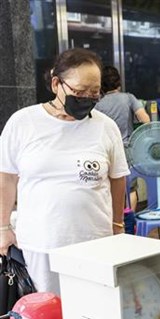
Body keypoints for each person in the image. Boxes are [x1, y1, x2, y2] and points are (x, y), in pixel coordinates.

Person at [0, 48, 129, 294]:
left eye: (94, 93)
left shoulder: (106, 127)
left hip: (95, 242)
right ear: (56, 83)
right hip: (40, 244)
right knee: (47, 317)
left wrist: (117, 225)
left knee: (94, 313)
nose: (87, 99)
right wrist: (3, 228)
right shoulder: (23, 122)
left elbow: (117, 179)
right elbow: (5, 178)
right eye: (80, 92)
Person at [95, 65, 150, 220]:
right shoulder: (128, 98)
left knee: (110, 187)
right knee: (130, 187)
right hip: (126, 149)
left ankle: (114, 220)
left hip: (105, 150)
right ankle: (129, 221)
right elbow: (145, 120)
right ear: (118, 82)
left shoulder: (98, 104)